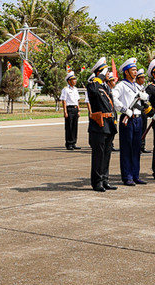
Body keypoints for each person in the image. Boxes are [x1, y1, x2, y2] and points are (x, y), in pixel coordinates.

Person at [84, 57, 117, 191]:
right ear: (99, 72)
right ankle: (97, 182)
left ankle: (105, 179)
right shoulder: (93, 84)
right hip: (99, 125)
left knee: (107, 154)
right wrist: (99, 77)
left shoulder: (106, 87)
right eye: (106, 71)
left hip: (109, 124)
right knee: (98, 155)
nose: (108, 74)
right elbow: (93, 91)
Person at [112, 58, 146, 186]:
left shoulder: (137, 86)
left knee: (136, 148)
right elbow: (113, 98)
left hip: (138, 118)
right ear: (126, 72)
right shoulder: (121, 85)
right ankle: (127, 176)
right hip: (128, 118)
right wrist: (124, 110)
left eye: (136, 69)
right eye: (133, 70)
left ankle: (136, 174)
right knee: (127, 148)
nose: (135, 72)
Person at [60, 71, 80, 150]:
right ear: (69, 81)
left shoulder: (75, 89)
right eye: (73, 79)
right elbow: (64, 100)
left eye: (75, 79)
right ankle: (69, 143)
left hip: (75, 108)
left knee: (75, 126)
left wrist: (78, 110)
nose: (75, 81)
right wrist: (65, 111)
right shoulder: (65, 89)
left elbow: (77, 100)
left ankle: (74, 142)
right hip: (69, 109)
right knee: (69, 127)